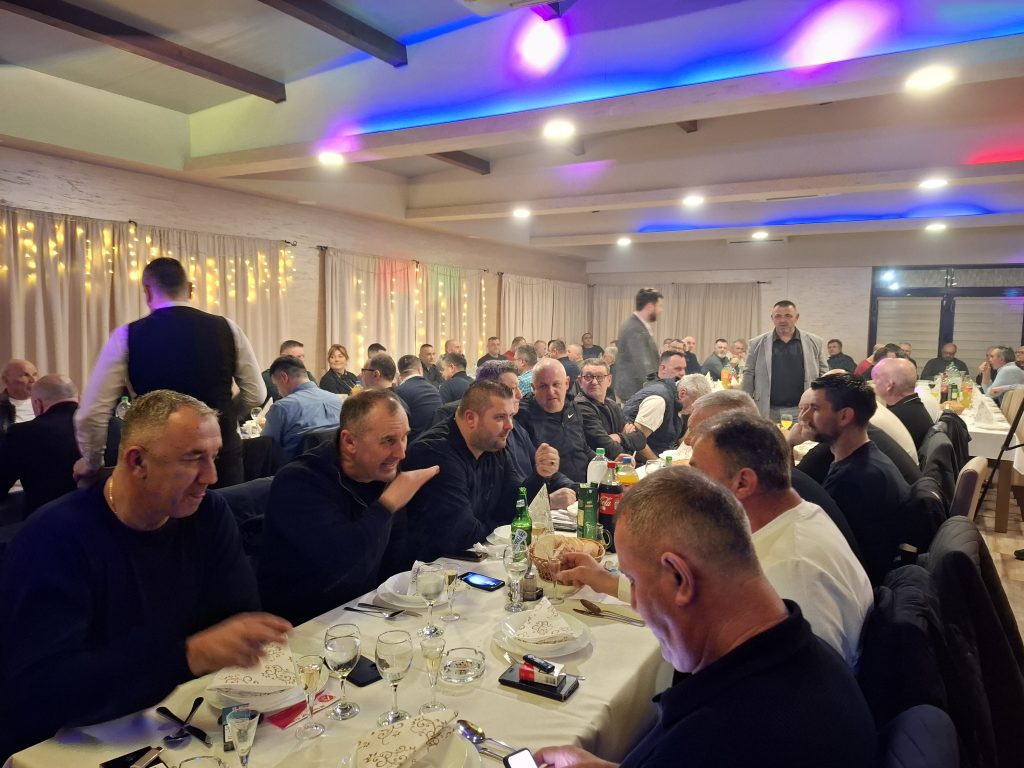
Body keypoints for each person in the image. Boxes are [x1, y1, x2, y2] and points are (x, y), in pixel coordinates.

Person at [0, 391, 291, 757]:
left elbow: (236, 617)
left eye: (214, 457)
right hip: (67, 744)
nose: (212, 476)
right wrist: (187, 655)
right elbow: (42, 690)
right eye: (193, 458)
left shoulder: (208, 515)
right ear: (137, 461)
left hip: (174, 719)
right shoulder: (54, 539)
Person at [539, 467, 876, 768]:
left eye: (635, 581)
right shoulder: (802, 653)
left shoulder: (720, 737)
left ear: (681, 578)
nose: (636, 603)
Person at [688, 412, 873, 667]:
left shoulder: (792, 570)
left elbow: (805, 680)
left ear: (743, 483)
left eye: (697, 474)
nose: (689, 487)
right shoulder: (801, 515)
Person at [74, 258, 265, 488]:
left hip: (159, 459)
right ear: (190, 288)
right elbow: (256, 394)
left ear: (147, 291)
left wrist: (92, 462)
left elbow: (92, 413)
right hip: (219, 457)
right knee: (223, 509)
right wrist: (224, 415)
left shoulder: (126, 336)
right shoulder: (228, 328)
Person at [258, 390, 439, 624]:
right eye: (388, 441)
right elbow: (344, 568)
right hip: (304, 624)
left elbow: (395, 556)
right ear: (349, 441)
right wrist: (387, 504)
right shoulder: (299, 483)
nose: (401, 453)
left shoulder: (381, 472)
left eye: (404, 437)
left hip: (364, 611)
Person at [403, 380, 557, 561]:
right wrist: (502, 522)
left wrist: (540, 475)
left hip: (474, 560)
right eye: (500, 417)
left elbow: (515, 505)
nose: (510, 426)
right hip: (429, 569)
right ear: (470, 418)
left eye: (511, 416)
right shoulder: (435, 453)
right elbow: (464, 535)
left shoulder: (492, 445)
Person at [802, 373, 911, 585]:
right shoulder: (871, 460)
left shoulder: (853, 480)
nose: (805, 417)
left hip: (862, 586)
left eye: (814, 409)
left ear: (845, 416)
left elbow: (819, 547)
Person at [0, 374, 81, 515]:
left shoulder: (23, 433)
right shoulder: (114, 425)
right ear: (78, 398)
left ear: (37, 403)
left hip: (47, 521)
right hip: (106, 521)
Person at [742, 299, 829, 420]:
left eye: (788, 316)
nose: (782, 320)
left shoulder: (815, 342)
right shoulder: (756, 343)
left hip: (804, 410)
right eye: (778, 316)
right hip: (767, 410)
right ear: (772, 318)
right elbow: (748, 373)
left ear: (797, 317)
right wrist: (745, 404)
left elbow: (823, 374)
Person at [517, 359, 596, 483]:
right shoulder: (522, 415)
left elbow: (583, 448)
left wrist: (608, 465)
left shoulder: (572, 406)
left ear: (567, 383)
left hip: (586, 486)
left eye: (556, 384)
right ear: (533, 388)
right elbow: (527, 469)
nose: (550, 392)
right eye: (543, 386)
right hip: (553, 489)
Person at [262, 355, 343, 460]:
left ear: (284, 377)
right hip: (335, 466)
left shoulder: (281, 407)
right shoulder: (337, 400)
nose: (278, 392)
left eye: (276, 385)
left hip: (294, 467)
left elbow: (265, 446)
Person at [574, 358, 647, 459]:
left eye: (600, 377)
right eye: (588, 377)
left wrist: (618, 437)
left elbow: (641, 439)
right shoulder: (580, 406)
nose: (594, 382)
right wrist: (625, 438)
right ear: (580, 381)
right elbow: (605, 448)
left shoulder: (612, 405)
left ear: (609, 380)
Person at [621, 351, 687, 457]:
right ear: (663, 368)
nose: (683, 373)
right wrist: (658, 463)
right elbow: (637, 442)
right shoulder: (658, 399)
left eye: (684, 369)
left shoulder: (673, 393)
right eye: (678, 369)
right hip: (645, 461)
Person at [872, 357, 934, 450]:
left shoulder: (894, 417)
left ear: (889, 385)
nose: (873, 382)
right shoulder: (914, 406)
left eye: (876, 377)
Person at [615, 288, 663, 401]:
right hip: (635, 391)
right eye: (659, 306)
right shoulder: (634, 328)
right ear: (650, 306)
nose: (661, 310)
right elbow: (643, 363)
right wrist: (657, 389)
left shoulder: (639, 326)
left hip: (639, 389)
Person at [394, 354, 443, 442]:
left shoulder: (398, 393)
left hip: (413, 444)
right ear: (420, 370)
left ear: (400, 374)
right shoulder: (435, 390)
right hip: (437, 441)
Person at [0, 358, 38, 446]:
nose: (33, 380)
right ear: (6, 380)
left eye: (35, 375)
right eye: (25, 375)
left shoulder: (46, 403)